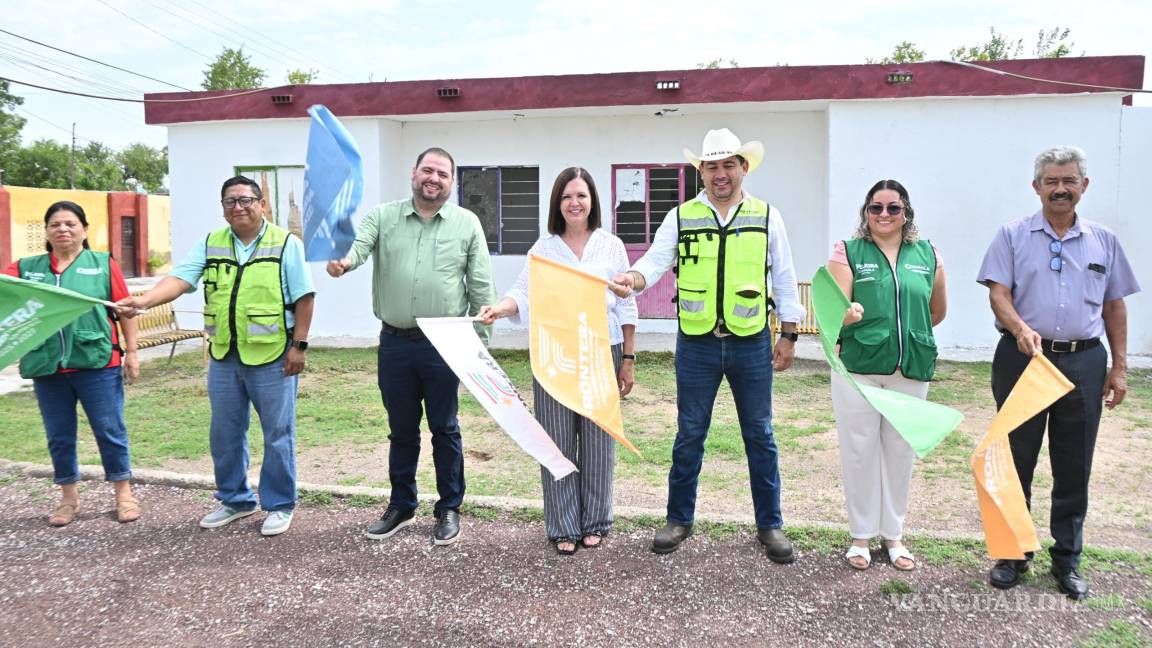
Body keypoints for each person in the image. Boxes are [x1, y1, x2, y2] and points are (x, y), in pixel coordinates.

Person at [610, 128, 804, 562]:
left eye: (728, 165)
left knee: (760, 434)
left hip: (751, 342)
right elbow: (654, 262)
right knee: (690, 433)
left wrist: (789, 334)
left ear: (743, 167)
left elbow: (784, 276)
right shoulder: (681, 216)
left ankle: (770, 524)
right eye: (712, 166)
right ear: (701, 171)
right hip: (697, 345)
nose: (720, 174)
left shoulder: (767, 216)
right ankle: (678, 519)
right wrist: (632, 280)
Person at [977, 146, 1140, 599]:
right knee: (1016, 460)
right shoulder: (1011, 235)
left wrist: (1119, 368)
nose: (1060, 189)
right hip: (1023, 359)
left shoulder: (1104, 240)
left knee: (1074, 464)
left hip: (1084, 362)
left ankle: (1067, 559)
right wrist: (1019, 328)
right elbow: (998, 294)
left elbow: (1114, 307)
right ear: (1037, 187)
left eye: (1069, 181)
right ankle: (1012, 555)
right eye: (1051, 181)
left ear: (1084, 186)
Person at [116, 176, 315, 537]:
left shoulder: (286, 243)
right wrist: (144, 300)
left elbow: (305, 297)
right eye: (230, 201)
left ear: (262, 205)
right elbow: (181, 278)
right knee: (224, 432)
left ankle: (279, 504)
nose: (238, 207)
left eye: (246, 200)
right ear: (222, 208)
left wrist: (298, 347)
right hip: (224, 354)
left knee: (277, 434)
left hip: (273, 355)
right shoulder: (211, 243)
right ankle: (236, 499)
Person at [327, 147, 495, 546]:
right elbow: (358, 247)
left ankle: (449, 508)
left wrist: (479, 351)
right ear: (413, 173)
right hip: (395, 344)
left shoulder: (467, 223)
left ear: (452, 182)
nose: (434, 179)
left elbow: (481, 286)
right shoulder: (383, 217)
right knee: (401, 430)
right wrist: (343, 262)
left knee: (445, 428)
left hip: (445, 344)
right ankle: (401, 505)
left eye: (443, 174)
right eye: (428, 170)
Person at [477, 167, 638, 555]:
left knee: (599, 440)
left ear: (592, 201)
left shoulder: (611, 246)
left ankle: (596, 521)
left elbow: (627, 305)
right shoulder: (544, 249)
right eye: (566, 196)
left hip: (601, 349)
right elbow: (522, 293)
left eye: (581, 195)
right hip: (555, 354)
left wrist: (628, 359)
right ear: (557, 203)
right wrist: (500, 308)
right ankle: (563, 525)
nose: (574, 203)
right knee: (556, 440)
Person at [827, 180, 947, 571]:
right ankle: (861, 536)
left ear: (906, 213)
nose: (884, 215)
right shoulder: (847, 251)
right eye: (875, 207)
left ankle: (893, 535)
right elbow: (833, 309)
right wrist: (848, 316)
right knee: (859, 451)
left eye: (893, 208)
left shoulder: (928, 254)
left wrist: (904, 334)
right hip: (858, 368)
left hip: (910, 368)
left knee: (900, 453)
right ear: (866, 212)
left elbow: (936, 312)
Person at [4, 201, 140, 526]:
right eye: (55, 224)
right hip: (47, 366)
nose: (62, 229)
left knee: (110, 430)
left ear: (84, 229)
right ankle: (68, 498)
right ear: (46, 231)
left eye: (70, 223)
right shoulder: (26, 269)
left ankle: (123, 494)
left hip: (97, 362)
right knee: (59, 435)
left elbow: (126, 310)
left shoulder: (102, 264)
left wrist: (132, 352)